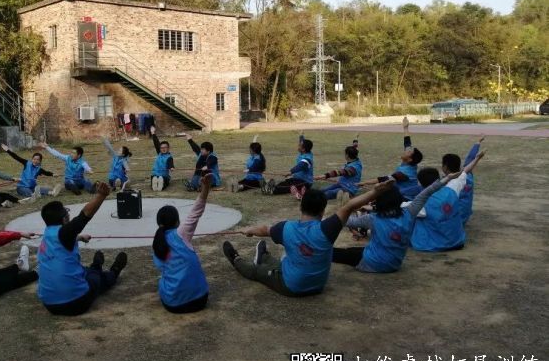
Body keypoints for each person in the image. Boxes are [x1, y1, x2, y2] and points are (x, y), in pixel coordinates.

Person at [222, 180, 396, 297]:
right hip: (318, 286)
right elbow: (350, 206)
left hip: (292, 287)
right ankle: (264, 256)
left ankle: (236, 259)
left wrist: (248, 230)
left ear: (301, 206)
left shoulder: (286, 228)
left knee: (257, 272)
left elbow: (264, 229)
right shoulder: (328, 229)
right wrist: (375, 191)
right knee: (284, 264)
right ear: (323, 210)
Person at [331, 171, 462, 272]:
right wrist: (447, 178)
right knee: (355, 251)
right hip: (395, 263)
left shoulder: (372, 219)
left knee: (335, 252)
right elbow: (427, 193)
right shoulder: (409, 212)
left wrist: (344, 209)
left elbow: (343, 221)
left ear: (379, 201)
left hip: (373, 263)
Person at [37, 182, 128, 316]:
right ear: (64, 219)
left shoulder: (48, 234)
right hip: (76, 302)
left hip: (49, 304)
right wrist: (101, 195)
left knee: (84, 271)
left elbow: (63, 240)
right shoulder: (64, 233)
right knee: (97, 278)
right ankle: (114, 270)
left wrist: (79, 238)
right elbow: (84, 215)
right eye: (67, 213)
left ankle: (96, 265)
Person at [152, 175, 212, 313]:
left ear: (159, 224)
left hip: (173, 305)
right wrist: (205, 189)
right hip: (200, 300)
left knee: (163, 279)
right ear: (177, 222)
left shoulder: (157, 244)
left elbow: (162, 267)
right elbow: (196, 211)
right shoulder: (182, 233)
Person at [410, 151, 486, 252]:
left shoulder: (420, 204)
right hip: (457, 241)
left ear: (421, 184)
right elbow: (464, 172)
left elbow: (402, 213)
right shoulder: (451, 189)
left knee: (412, 220)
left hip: (435, 245)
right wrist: (477, 158)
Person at [358, 117, 422, 201]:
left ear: (410, 159)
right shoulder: (411, 163)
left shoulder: (404, 173)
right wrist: (405, 128)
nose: (406, 150)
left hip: (405, 198)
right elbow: (407, 144)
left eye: (409, 152)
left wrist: (364, 183)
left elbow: (384, 179)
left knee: (378, 193)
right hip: (401, 193)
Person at [441, 136, 485, 225]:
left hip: (454, 219)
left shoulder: (448, 184)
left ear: (445, 167)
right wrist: (478, 143)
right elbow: (470, 159)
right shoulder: (467, 176)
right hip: (465, 215)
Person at [150, 125, 175, 191]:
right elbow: (156, 142)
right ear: (160, 149)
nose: (163, 149)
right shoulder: (159, 153)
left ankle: (160, 184)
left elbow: (170, 163)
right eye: (162, 148)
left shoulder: (169, 157)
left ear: (168, 148)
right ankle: (156, 184)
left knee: (162, 179)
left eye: (165, 147)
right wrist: (153, 133)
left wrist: (171, 167)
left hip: (163, 175)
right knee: (156, 178)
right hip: (156, 174)